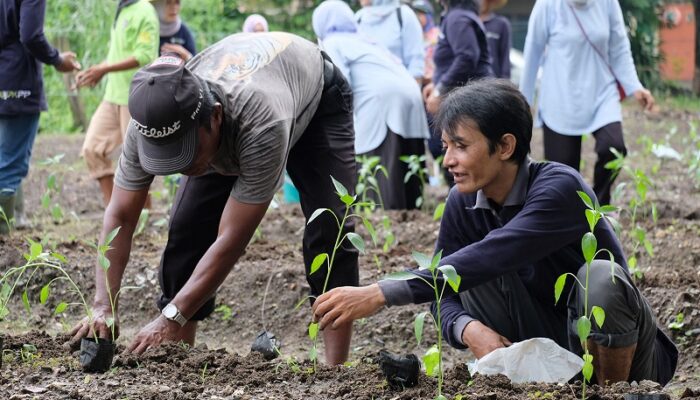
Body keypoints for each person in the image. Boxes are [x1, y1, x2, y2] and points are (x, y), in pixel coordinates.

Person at [311, 80, 678, 386]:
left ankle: (608, 395)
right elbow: (447, 293)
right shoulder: (463, 202)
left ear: (505, 146)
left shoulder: (560, 188)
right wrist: (468, 329)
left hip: (633, 365)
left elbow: (497, 254)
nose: (448, 160)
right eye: (445, 147)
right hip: (548, 359)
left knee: (599, 278)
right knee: (460, 270)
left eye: (461, 145)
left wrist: (381, 292)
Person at [67, 32, 359, 365]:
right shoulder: (149, 123)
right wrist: (104, 305)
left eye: (187, 155)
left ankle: (337, 370)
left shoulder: (262, 122)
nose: (184, 169)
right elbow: (119, 216)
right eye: (169, 159)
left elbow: (232, 238)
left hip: (316, 96)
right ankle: (180, 361)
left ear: (215, 117)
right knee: (186, 234)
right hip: (230, 115)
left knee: (329, 228)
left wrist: (169, 316)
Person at [519, 0, 655, 205]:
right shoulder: (547, 5)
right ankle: (570, 221)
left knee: (613, 147)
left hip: (601, 92)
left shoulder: (607, 3)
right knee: (563, 176)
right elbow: (532, 52)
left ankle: (598, 207)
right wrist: (524, 100)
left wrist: (634, 86)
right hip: (560, 96)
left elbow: (619, 47)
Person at [313, 0, 430, 210]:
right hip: (409, 93)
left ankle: (387, 215)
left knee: (379, 166)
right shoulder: (364, 39)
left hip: (381, 101)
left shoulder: (333, 42)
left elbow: (341, 82)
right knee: (407, 164)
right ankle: (411, 212)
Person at [0, 0, 81, 234]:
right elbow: (30, 35)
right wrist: (57, 59)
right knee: (9, 165)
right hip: (18, 82)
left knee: (5, 155)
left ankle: (16, 218)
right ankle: (4, 239)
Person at [77, 0, 159, 207]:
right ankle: (113, 208)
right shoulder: (122, 9)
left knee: (137, 159)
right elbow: (119, 55)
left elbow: (145, 55)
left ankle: (143, 214)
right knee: (92, 149)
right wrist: (98, 70)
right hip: (112, 96)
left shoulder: (144, 10)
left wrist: (104, 70)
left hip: (135, 97)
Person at [422, 0, 492, 116]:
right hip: (461, 98)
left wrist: (439, 91)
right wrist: (435, 83)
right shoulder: (456, 15)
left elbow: (467, 58)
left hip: (466, 103)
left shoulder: (458, 18)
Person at [355, 0, 425, 83]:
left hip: (399, 90)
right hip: (364, 92)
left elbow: (416, 62)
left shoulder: (404, 15)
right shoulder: (359, 18)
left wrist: (412, 92)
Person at [409, 0, 440, 84]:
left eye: (421, 13)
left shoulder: (437, 34)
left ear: (429, 15)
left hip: (434, 81)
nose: (418, 17)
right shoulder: (410, 35)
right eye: (415, 13)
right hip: (415, 81)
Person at [480, 0, 511, 79]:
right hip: (468, 85)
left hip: (493, 84)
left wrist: (504, 84)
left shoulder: (501, 24)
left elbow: (505, 58)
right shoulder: (466, 23)